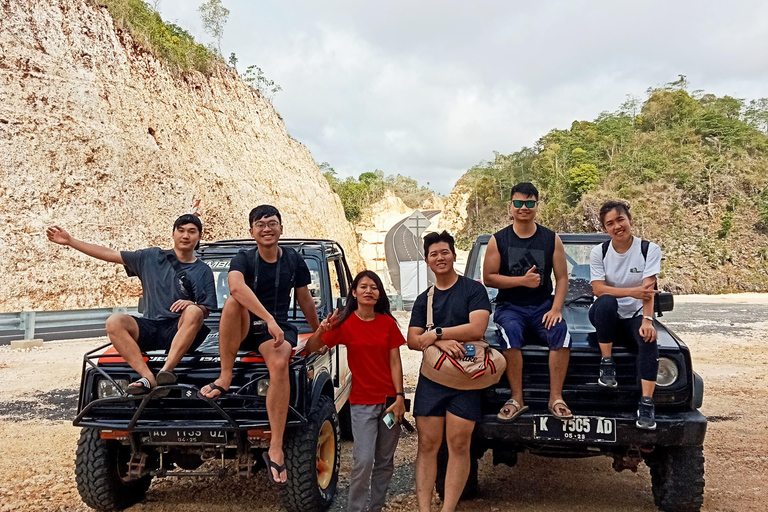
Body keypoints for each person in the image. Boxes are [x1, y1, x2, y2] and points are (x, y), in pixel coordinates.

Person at [199, 204, 320, 486]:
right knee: (233, 301)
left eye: (272, 223)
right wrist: (267, 319)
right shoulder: (242, 258)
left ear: (281, 228)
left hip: (277, 328)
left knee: (280, 363)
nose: (267, 228)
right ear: (252, 231)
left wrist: (318, 333)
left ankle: (275, 446)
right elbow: (236, 288)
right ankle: (225, 377)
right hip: (245, 325)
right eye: (261, 224)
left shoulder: (293, 260)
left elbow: (304, 299)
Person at [46, 215, 216, 394]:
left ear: (199, 237)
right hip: (150, 326)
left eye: (192, 232)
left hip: (181, 329)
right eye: (181, 230)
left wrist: (192, 304)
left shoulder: (202, 270)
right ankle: (149, 377)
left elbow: (206, 310)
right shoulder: (151, 257)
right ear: (173, 234)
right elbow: (110, 255)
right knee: (115, 321)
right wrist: (71, 241)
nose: (185, 236)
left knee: (194, 311)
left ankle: (166, 372)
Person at [306, 271, 406, 512]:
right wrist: (321, 330)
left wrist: (401, 397)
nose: (369, 291)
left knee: (384, 461)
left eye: (374, 287)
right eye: (364, 286)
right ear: (354, 292)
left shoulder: (388, 324)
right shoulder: (345, 323)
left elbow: (395, 362)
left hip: (391, 404)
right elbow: (313, 347)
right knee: (362, 461)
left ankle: (376, 508)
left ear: (380, 293)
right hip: (362, 404)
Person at [407, 231, 491, 512]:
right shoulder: (424, 299)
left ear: (454, 255)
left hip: (466, 379)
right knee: (427, 445)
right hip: (432, 379)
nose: (440, 258)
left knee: (458, 444)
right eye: (433, 254)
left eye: (444, 252)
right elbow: (412, 339)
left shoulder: (473, 290)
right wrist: (439, 340)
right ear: (427, 261)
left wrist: (437, 333)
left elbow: (477, 328)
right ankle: (424, 509)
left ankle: (448, 509)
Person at [483, 182, 572, 421]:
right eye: (519, 203)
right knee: (510, 333)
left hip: (543, 305)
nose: (524, 208)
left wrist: (556, 308)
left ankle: (556, 398)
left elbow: (563, 278)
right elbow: (488, 278)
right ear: (510, 206)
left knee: (561, 333)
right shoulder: (498, 240)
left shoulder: (551, 239)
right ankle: (517, 398)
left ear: (537, 205)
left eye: (530, 203)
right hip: (510, 307)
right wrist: (521, 281)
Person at [589, 201, 662, 430]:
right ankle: (607, 363)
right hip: (604, 315)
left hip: (635, 315)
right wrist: (633, 292)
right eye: (610, 223)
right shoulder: (599, 252)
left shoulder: (649, 250)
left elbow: (648, 290)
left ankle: (647, 402)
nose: (617, 226)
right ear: (605, 228)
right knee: (607, 301)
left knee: (649, 338)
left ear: (630, 220)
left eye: (620, 220)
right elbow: (598, 290)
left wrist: (648, 321)